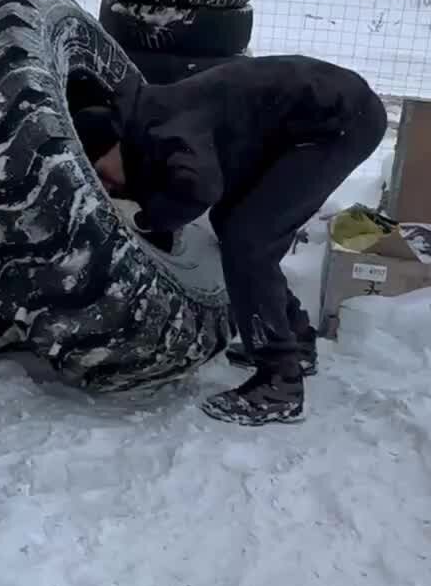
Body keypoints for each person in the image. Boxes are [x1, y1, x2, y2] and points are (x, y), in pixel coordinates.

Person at [88, 55, 388, 425]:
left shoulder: (167, 132)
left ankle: (281, 382)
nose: (107, 184)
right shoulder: (149, 115)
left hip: (339, 122)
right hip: (313, 116)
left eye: (102, 173)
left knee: (250, 241)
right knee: (233, 222)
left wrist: (149, 219)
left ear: (115, 144)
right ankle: (295, 337)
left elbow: (199, 188)